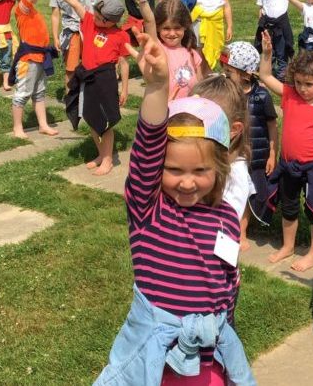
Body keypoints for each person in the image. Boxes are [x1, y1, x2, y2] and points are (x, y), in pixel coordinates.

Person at [92, 35, 254, 386]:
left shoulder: (225, 215)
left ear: (220, 168)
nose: (186, 182)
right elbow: (149, 143)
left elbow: (224, 274)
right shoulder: (149, 210)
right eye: (174, 170)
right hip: (158, 360)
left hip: (208, 359)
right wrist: (157, 86)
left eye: (200, 172)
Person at [258, 32, 313, 272]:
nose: (303, 89)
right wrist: (267, 54)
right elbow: (265, 75)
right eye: (298, 83)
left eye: (310, 84)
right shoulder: (290, 96)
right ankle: (288, 246)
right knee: (289, 206)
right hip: (287, 165)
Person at [44, 0, 130, 176]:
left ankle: (108, 160)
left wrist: (125, 88)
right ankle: (101, 154)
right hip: (87, 76)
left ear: (113, 21)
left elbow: (124, 63)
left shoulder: (120, 35)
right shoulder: (90, 21)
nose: (97, 20)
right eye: (98, 15)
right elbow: (73, 2)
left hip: (105, 78)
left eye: (102, 19)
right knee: (90, 117)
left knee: (106, 122)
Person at [221, 41, 278, 250]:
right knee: (230, 190)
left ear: (246, 74)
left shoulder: (261, 96)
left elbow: (272, 126)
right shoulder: (225, 94)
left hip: (255, 155)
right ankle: (229, 227)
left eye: (229, 71)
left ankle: (242, 232)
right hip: (231, 154)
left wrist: (273, 153)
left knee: (246, 193)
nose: (224, 75)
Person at [192, 74, 254, 254]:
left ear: (234, 129)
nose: (195, 124)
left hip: (209, 257)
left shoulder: (234, 172)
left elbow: (228, 226)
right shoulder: (191, 155)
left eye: (203, 119)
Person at [8, 0, 60, 139]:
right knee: (22, 94)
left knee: (39, 93)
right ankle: (17, 128)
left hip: (40, 58)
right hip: (28, 60)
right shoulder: (23, 9)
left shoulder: (30, 9)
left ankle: (43, 125)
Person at [255, 0, 312, 78]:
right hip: (267, 24)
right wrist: (260, 18)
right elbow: (261, 6)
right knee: (268, 48)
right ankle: (268, 69)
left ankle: (282, 71)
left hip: (280, 24)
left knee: (282, 48)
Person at [156, 0, 208, 101]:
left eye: (177, 28)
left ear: (185, 26)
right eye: (166, 28)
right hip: (165, 113)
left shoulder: (193, 55)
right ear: (157, 27)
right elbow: (148, 22)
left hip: (187, 112)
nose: (172, 33)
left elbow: (199, 87)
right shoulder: (157, 49)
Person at [49, 0, 86, 90]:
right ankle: (70, 95)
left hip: (87, 30)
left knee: (89, 64)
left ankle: (85, 93)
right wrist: (55, 37)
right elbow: (55, 15)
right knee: (71, 68)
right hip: (72, 33)